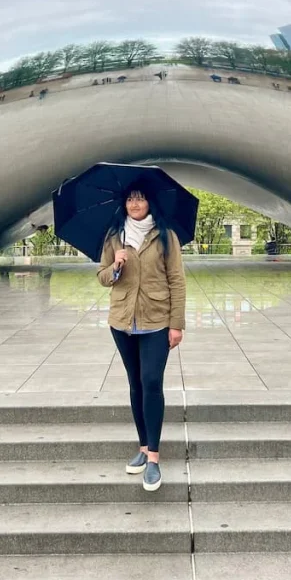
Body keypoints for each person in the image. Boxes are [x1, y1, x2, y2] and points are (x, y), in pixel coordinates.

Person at [97, 188, 186, 492]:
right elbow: (102, 277)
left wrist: (176, 324)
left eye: (141, 198)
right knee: (135, 383)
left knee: (151, 382)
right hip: (122, 322)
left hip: (156, 321)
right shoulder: (114, 236)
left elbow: (177, 280)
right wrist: (115, 265)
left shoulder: (165, 236)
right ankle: (144, 447)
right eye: (130, 199)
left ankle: (154, 459)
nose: (135, 204)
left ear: (150, 202)